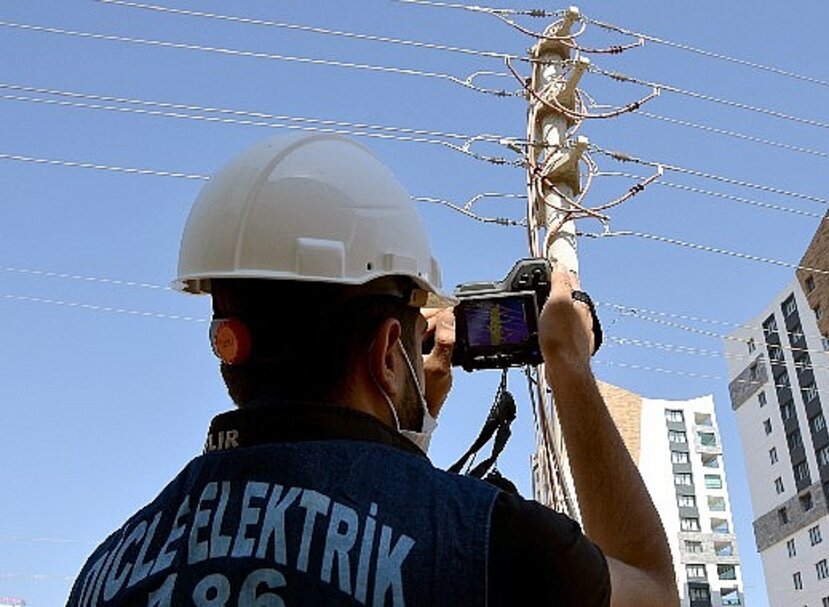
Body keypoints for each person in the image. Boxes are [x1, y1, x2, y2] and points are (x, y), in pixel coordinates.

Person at [67, 133, 677, 606]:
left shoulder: (104, 572)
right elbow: (650, 588)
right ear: (388, 353)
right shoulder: (487, 542)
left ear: (229, 340)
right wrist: (569, 366)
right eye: (412, 340)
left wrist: (409, 427)